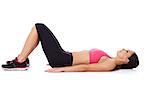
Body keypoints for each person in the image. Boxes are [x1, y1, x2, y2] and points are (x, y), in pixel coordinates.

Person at [1, 23, 139, 72]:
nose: (123, 49)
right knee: (39, 30)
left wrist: (61, 69)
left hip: (62, 59)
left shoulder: (110, 64)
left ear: (126, 60)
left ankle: (20, 61)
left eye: (126, 52)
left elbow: (85, 68)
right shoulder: (109, 60)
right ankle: (22, 59)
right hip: (63, 56)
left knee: (39, 27)